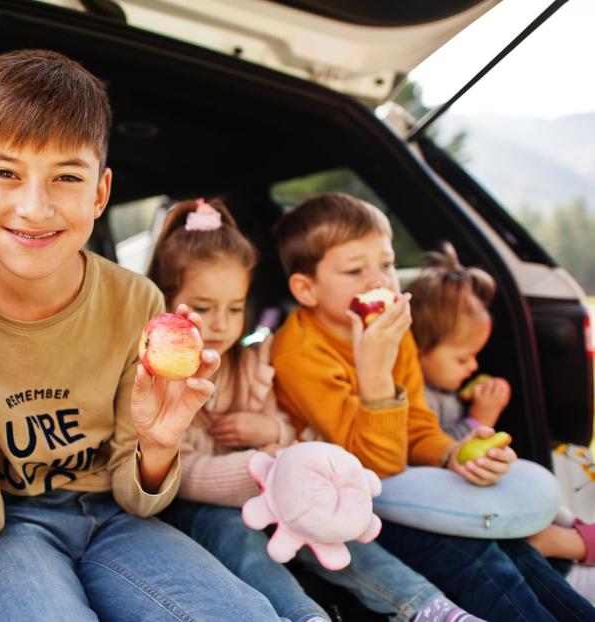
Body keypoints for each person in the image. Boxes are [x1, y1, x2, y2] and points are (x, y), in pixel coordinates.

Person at [0, 49, 278, 621]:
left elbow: (139, 500)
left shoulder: (138, 301)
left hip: (114, 519)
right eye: (5, 173)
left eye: (67, 177)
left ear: (100, 193)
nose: (34, 208)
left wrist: (157, 445)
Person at [150, 197, 481, 622]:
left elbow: (289, 431)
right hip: (200, 504)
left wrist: (269, 431)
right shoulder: (161, 380)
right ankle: (304, 615)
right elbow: (174, 469)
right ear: (164, 303)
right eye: (202, 308)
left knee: (328, 523)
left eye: (234, 309)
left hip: (269, 486)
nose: (220, 324)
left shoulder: (251, 364)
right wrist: (260, 468)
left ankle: (428, 608)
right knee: (236, 536)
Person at [270, 192, 595, 621]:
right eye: (354, 270)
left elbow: (418, 425)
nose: (380, 281)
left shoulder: (391, 331)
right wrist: (375, 374)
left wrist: (451, 453)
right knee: (474, 559)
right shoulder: (299, 353)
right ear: (305, 289)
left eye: (386, 264)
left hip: (401, 486)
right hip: (345, 506)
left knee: (516, 552)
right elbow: (378, 465)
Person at [408, 241, 595, 601]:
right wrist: (479, 419)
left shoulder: (448, 393)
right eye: (464, 358)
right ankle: (571, 560)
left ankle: (576, 542)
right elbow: (437, 457)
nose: (473, 368)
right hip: (455, 500)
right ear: (417, 350)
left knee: (550, 505)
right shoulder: (421, 399)